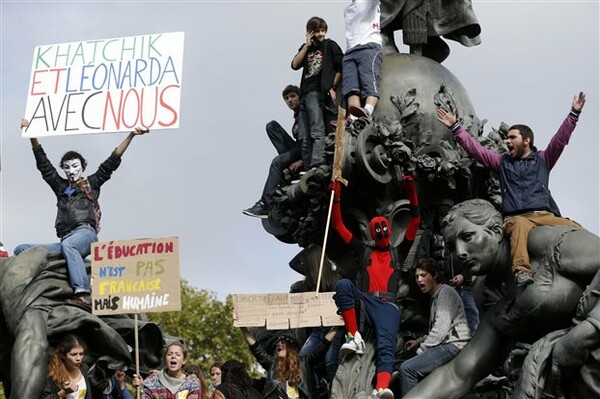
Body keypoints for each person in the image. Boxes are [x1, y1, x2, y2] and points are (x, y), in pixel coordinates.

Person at [402, 199, 600, 398]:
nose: (460, 252)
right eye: (452, 246)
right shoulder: (498, 308)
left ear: (496, 231)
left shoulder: (541, 242)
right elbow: (455, 376)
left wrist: (587, 331)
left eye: (468, 236)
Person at [436, 92, 586, 287]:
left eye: (512, 138)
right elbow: (477, 151)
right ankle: (521, 271)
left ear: (527, 141)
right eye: (506, 138)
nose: (507, 141)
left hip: (543, 216)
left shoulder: (543, 159)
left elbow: (560, 140)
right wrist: (456, 128)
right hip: (516, 219)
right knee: (521, 225)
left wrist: (574, 113)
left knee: (575, 228)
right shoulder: (502, 162)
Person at [16, 118, 149, 310]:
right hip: (64, 240)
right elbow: (43, 164)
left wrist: (131, 135)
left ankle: (83, 292)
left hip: (85, 233)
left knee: (70, 245)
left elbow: (111, 163)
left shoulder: (91, 185)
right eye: (67, 167)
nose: (71, 171)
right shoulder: (61, 188)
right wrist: (31, 134)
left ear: (82, 167)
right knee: (22, 249)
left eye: (75, 166)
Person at [329, 175, 420, 399]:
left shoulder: (398, 252)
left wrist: (411, 190)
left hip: (388, 305)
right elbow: (338, 226)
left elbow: (415, 221)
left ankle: (381, 390)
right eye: (377, 232)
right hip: (367, 301)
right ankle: (353, 337)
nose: (380, 234)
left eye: (383, 231)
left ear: (389, 232)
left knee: (386, 349)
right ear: (372, 234)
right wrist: (337, 197)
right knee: (343, 285)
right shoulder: (365, 250)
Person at [399, 258, 471, 396]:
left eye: (423, 275)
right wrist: (418, 342)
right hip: (445, 344)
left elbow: (440, 331)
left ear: (435, 275)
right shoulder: (435, 298)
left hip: (453, 345)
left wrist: (421, 351)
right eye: (417, 277)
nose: (419, 280)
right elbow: (437, 329)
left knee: (407, 369)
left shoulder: (445, 292)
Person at [416, 200, 479, 334]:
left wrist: (464, 275)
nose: (443, 219)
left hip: (464, 286)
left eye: (447, 216)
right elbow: (422, 260)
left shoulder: (463, 234)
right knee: (441, 324)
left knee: (472, 319)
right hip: (440, 287)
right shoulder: (430, 235)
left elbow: (474, 257)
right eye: (441, 216)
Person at [243, 85, 304, 218]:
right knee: (272, 126)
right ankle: (286, 163)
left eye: (293, 96)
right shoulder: (297, 118)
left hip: (305, 150)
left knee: (277, 162)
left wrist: (302, 161)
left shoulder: (305, 113)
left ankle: (266, 203)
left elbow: (312, 139)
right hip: (297, 149)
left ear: (300, 97)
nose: (290, 100)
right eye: (287, 98)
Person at [291, 16, 343, 170]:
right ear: (310, 33)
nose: (320, 34)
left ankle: (317, 162)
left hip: (317, 92)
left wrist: (332, 86)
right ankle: (308, 168)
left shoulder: (330, 45)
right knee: (304, 135)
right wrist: (307, 46)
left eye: (322, 31)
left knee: (317, 129)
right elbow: (294, 64)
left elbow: (341, 66)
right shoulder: (306, 48)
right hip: (304, 94)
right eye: (317, 31)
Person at [241, 328, 336, 399]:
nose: (278, 344)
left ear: (291, 347)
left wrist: (335, 328)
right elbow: (255, 347)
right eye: (278, 343)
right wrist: (243, 328)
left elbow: (323, 346)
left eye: (282, 342)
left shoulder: (305, 363)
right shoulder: (272, 364)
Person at [342, 0, 383, 120]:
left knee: (368, 79)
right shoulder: (347, 10)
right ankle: (353, 118)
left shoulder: (370, 2)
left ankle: (368, 109)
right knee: (351, 87)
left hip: (369, 45)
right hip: (350, 50)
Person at [132, 342, 202, 399]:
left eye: (177, 355)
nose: (173, 356)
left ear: (184, 360)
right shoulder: (153, 380)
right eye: (169, 354)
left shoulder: (192, 383)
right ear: (165, 359)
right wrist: (140, 389)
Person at [40, 334, 92, 399]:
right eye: (74, 354)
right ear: (64, 355)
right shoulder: (51, 373)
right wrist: (63, 392)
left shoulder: (84, 368)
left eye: (81, 354)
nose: (78, 358)